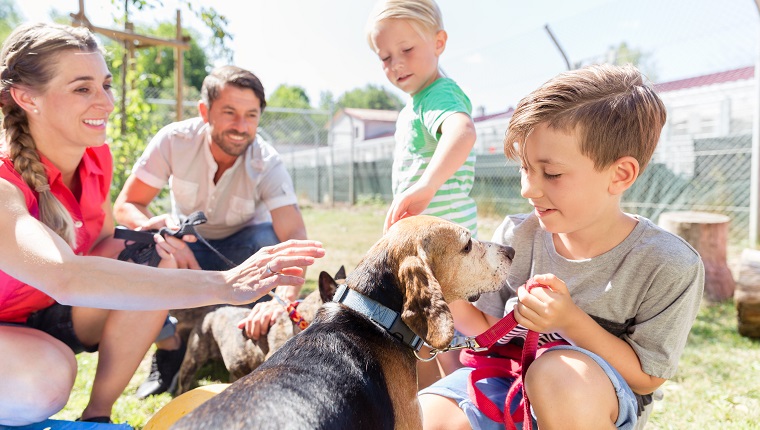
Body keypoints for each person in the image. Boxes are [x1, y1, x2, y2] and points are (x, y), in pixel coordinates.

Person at [0, 22, 324, 426]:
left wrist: (148, 239)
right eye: (82, 88)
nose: (105, 102)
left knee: (155, 252)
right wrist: (226, 284)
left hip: (50, 311)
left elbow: (99, 243)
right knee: (47, 378)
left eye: (106, 85)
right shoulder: (3, 183)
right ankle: (169, 339)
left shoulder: (95, 159)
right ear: (26, 97)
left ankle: (97, 415)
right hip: (18, 318)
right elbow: (66, 275)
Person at [418, 63, 705, 430]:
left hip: (585, 403)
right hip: (505, 381)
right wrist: (443, 289)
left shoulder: (668, 265)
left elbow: (646, 377)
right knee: (427, 416)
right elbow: (486, 326)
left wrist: (570, 321)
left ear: (620, 174)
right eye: (525, 168)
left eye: (551, 173)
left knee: (557, 376)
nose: (528, 189)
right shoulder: (517, 236)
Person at [113, 65, 309, 398]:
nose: (241, 126)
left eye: (251, 115)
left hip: (243, 254)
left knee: (267, 240)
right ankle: (169, 348)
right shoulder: (174, 140)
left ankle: (247, 336)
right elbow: (127, 204)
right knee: (135, 246)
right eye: (230, 113)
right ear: (205, 112)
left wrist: (285, 302)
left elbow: (294, 236)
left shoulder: (267, 161)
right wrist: (160, 234)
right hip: (187, 246)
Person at [365, 0, 479, 388]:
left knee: (449, 325)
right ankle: (433, 396)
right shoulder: (414, 104)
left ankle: (467, 397)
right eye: (384, 57)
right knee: (420, 326)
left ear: (439, 42)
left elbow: (461, 132)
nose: (396, 64)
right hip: (425, 243)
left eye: (407, 50)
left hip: (445, 244)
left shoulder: (439, 94)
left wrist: (426, 185)